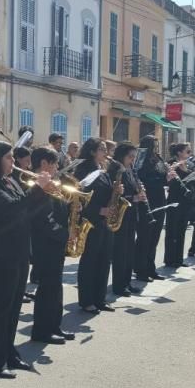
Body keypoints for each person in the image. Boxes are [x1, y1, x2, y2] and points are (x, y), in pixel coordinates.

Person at [0, 141, 48, 377]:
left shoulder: (11, 180)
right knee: (0, 307)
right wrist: (37, 188)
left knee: (14, 305)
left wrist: (44, 193)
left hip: (18, 250)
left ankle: (9, 353)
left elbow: (25, 209)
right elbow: (11, 208)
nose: (13, 162)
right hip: (0, 253)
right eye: (8, 158)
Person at [28, 147, 74, 344]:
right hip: (45, 242)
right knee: (47, 288)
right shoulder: (34, 184)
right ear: (44, 164)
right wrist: (63, 234)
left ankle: (55, 325)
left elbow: (58, 207)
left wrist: (73, 206)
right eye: (54, 163)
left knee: (55, 286)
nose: (57, 167)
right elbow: (42, 216)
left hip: (55, 242)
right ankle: (42, 331)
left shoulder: (53, 184)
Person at [75, 138, 119, 314]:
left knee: (104, 259)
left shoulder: (102, 170)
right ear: (92, 151)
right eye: (101, 149)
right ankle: (87, 300)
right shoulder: (84, 170)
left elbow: (106, 192)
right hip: (92, 220)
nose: (105, 153)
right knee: (90, 261)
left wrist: (117, 190)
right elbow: (79, 197)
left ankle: (100, 299)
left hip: (105, 221)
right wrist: (99, 210)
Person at [110, 143, 143, 296]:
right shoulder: (117, 170)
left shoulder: (131, 170)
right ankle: (118, 285)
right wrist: (134, 197)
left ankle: (127, 282)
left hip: (132, 213)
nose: (132, 160)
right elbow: (115, 195)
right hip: (121, 215)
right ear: (121, 156)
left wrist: (140, 193)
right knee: (120, 252)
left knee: (130, 250)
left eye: (134, 157)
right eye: (130, 157)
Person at [135, 135, 167, 282]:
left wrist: (167, 177)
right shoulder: (141, 158)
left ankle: (151, 268)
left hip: (160, 199)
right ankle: (141, 270)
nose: (156, 148)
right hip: (147, 200)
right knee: (145, 238)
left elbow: (162, 175)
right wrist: (162, 179)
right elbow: (141, 177)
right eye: (154, 145)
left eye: (157, 145)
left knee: (154, 238)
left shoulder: (158, 159)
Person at [163, 142, 194, 268]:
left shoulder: (189, 164)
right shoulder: (171, 164)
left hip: (186, 201)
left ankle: (179, 259)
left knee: (181, 230)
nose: (189, 154)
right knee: (172, 230)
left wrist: (186, 170)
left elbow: (192, 180)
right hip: (174, 200)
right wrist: (176, 169)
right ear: (179, 152)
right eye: (187, 151)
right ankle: (170, 259)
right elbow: (169, 183)